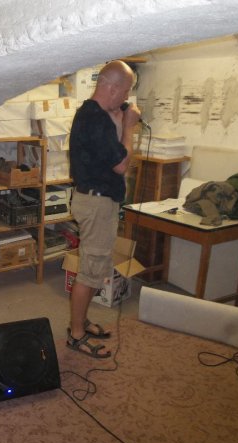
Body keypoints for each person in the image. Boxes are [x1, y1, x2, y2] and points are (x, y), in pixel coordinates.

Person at [67, 60, 141, 358]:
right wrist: (130, 127)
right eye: (125, 91)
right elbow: (121, 163)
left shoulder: (95, 115)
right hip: (96, 203)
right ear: (112, 87)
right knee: (90, 271)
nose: (126, 98)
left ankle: (81, 322)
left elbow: (111, 152)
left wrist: (120, 120)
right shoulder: (95, 119)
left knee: (95, 267)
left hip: (98, 200)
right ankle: (76, 335)